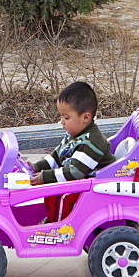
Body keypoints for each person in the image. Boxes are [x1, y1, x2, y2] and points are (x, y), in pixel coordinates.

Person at [31, 81, 116, 222]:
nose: (62, 122)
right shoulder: (75, 136)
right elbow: (58, 156)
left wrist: (44, 176)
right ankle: (53, 218)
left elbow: (76, 172)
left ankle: (58, 229)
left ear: (85, 118)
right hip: (83, 183)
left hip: (94, 186)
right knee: (51, 189)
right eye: (61, 117)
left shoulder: (92, 142)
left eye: (66, 118)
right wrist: (37, 167)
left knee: (61, 195)